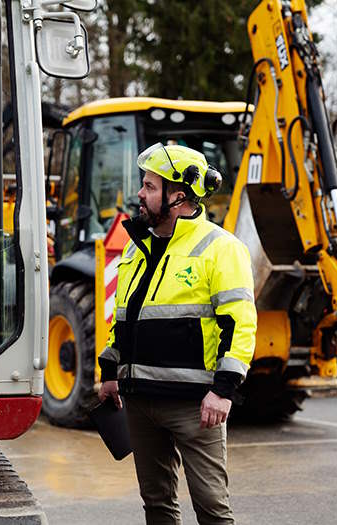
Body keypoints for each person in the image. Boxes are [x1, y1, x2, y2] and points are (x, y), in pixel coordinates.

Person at [98, 143, 257, 524]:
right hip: (140, 401)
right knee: (157, 505)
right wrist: (109, 373)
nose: (140, 193)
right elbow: (123, 319)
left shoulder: (221, 248)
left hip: (196, 405)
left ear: (178, 197)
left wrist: (223, 391)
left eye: (150, 187)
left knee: (212, 510)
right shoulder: (137, 250)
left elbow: (240, 324)